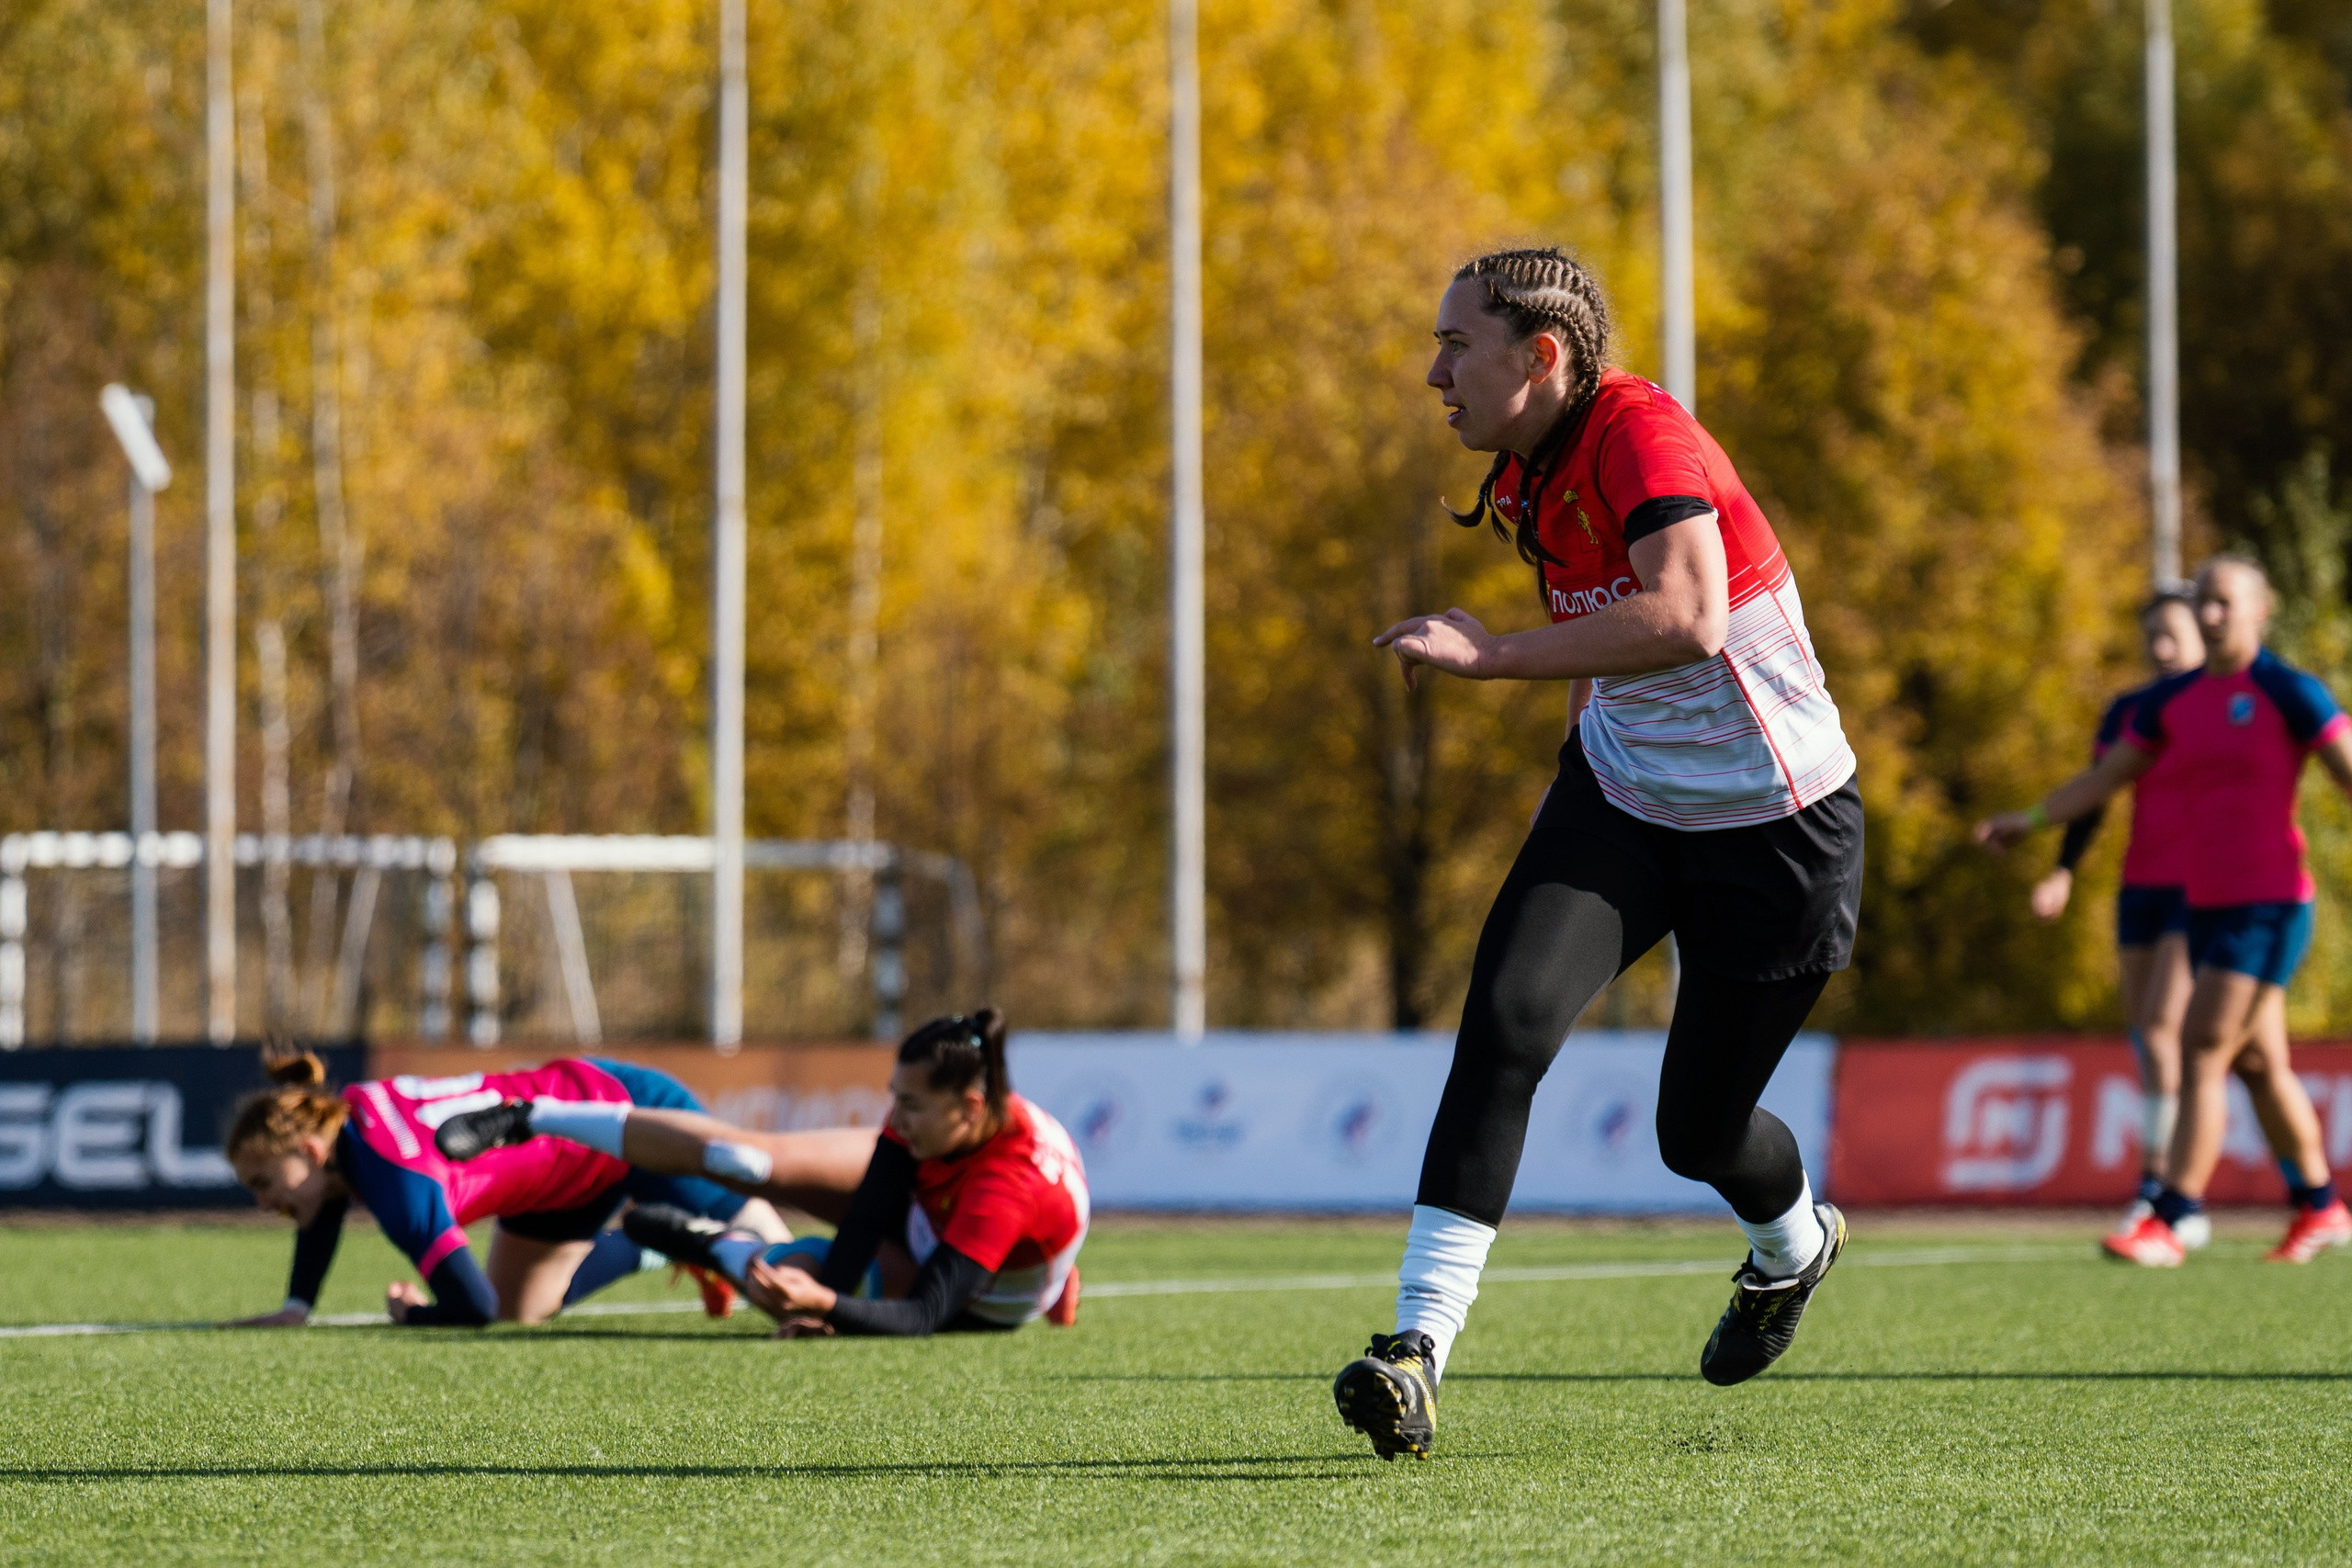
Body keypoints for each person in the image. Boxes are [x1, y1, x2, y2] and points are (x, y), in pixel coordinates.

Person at [1332, 246, 1864, 1461]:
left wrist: (1490, 657)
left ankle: (1792, 1248)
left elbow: (1688, 617)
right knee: (1505, 1025)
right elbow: (1608, 641)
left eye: (1455, 345)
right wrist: (1571, 758)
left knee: (1697, 1133)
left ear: (1542, 356)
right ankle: (1414, 1350)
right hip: (1622, 801)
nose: (1434, 374)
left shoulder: (1642, 433)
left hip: (1778, 826)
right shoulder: (1527, 467)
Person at [1979, 556, 2352, 1266]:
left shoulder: (2290, 691)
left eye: (2224, 603)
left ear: (2261, 609)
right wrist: (2031, 819)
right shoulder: (2171, 703)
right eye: (2203, 601)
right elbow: (2103, 780)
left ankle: (2172, 1217)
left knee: (2200, 1044)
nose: (2210, 615)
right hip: (2204, 904)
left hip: (2270, 906)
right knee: (2258, 1064)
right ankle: (2321, 1204)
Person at [434, 1009, 1089, 1337]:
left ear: (969, 1108)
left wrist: (825, 1304)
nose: (895, 1116)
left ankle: (707, 1244)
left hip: (974, 1295)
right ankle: (535, 1115)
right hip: (935, 1218)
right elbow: (867, 1215)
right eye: (897, 1097)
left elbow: (927, 1312)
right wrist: (833, 1304)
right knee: (744, 1160)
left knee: (792, 1274)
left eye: (911, 1105)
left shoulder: (1007, 1185)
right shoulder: (930, 1123)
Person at [223, 1047, 788, 1327]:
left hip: (631, 1112)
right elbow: (321, 1202)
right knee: (525, 1309)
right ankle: (669, 1241)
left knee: (789, 1278)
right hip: (563, 1175)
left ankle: (708, 1240)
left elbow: (474, 1307)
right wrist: (297, 1306)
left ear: (310, 1151)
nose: (263, 1202)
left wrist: (415, 1315)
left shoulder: (397, 1182)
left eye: (264, 1182)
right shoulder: (351, 1117)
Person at [2030, 591, 2210, 1244]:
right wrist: (2064, 870)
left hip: (2203, 889)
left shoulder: (2218, 706)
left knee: (2164, 1028)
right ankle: (2174, 1192)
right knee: (2147, 1035)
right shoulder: (2129, 710)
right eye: (2152, 635)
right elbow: (2098, 792)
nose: (2162, 647)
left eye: (2173, 633)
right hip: (2141, 887)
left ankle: (2162, 1190)